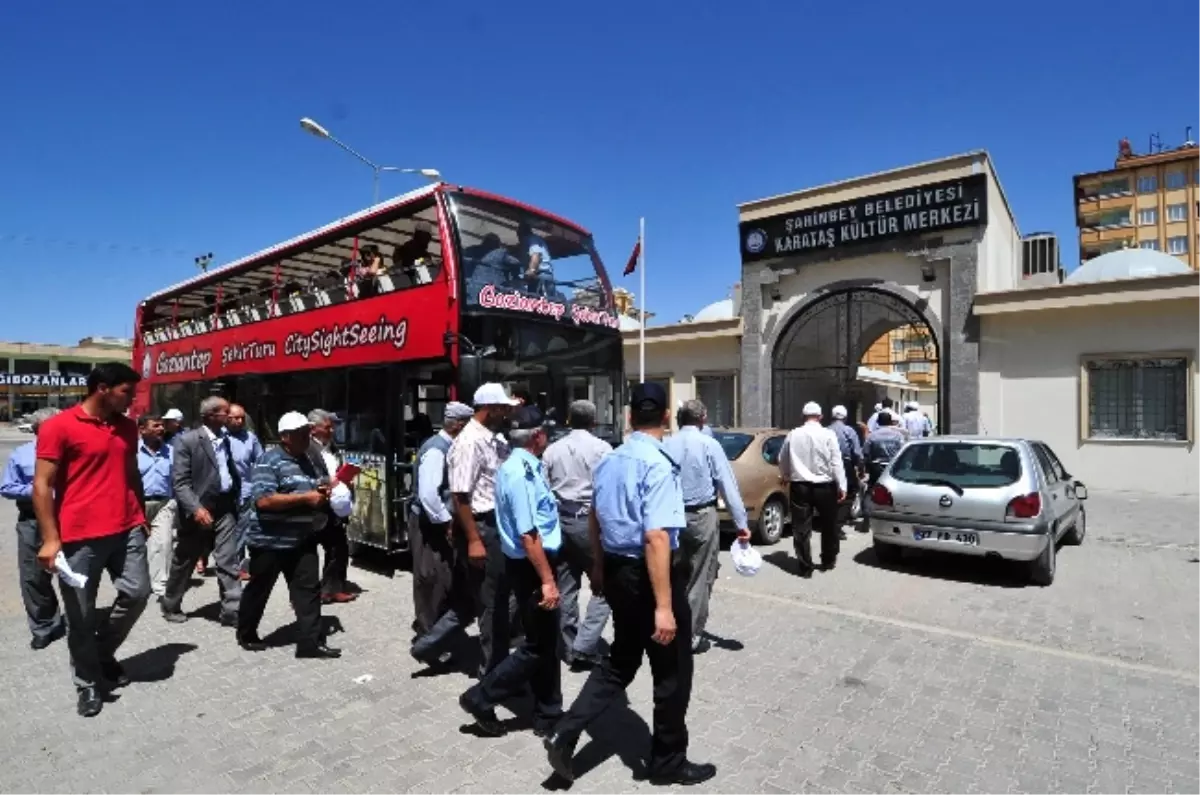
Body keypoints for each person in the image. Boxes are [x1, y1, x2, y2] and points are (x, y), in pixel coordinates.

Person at [544, 382, 715, 787]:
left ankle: (564, 732)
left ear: (628, 417)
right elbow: (657, 537)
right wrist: (664, 606)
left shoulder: (610, 460)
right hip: (650, 576)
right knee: (671, 672)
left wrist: (600, 567)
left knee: (620, 661)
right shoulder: (658, 463)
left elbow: (594, 517)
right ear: (668, 417)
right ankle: (668, 761)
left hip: (618, 572)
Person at [32, 362, 150, 717]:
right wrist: (51, 539)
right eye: (125, 392)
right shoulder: (59, 426)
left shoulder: (127, 428)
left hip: (127, 527)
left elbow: (131, 474)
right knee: (80, 616)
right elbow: (42, 485)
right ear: (102, 387)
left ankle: (99, 653)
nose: (131, 400)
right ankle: (87, 683)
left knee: (138, 593)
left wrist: (141, 514)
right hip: (78, 537)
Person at [458, 406, 563, 737]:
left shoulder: (522, 465)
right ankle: (481, 696)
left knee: (546, 643)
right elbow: (528, 534)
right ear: (536, 436)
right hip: (533, 566)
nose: (548, 435)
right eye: (545, 430)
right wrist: (547, 580)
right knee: (537, 646)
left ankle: (548, 712)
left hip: (534, 563)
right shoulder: (519, 472)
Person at [413, 383, 517, 675]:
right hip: (482, 528)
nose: (507, 412)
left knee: (471, 601)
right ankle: (492, 674)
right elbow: (461, 496)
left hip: (490, 525)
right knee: (490, 604)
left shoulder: (490, 437)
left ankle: (427, 647)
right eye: (503, 407)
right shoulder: (469, 442)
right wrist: (473, 539)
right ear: (490, 408)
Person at [238, 411, 340, 659]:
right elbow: (263, 500)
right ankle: (247, 633)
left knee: (308, 591)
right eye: (301, 433)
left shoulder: (309, 459)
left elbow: (316, 483)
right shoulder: (268, 461)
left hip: (302, 538)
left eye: (308, 431)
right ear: (285, 437)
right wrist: (306, 497)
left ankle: (310, 643)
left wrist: (324, 489)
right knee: (259, 589)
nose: (308, 436)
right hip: (270, 541)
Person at [663, 399, 750, 655]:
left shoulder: (667, 444)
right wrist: (741, 524)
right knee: (700, 576)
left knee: (673, 574)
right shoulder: (710, 445)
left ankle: (668, 624)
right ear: (702, 419)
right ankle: (689, 636)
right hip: (701, 516)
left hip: (671, 516)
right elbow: (728, 486)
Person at [542, 399, 612, 670]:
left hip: (560, 522)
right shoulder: (602, 449)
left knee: (567, 585)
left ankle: (571, 646)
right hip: (589, 522)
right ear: (593, 422)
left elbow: (544, 487)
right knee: (604, 584)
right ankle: (585, 645)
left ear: (569, 420)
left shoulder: (553, 450)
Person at [162, 396, 242, 625]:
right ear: (210, 416)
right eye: (225, 412)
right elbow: (180, 482)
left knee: (228, 558)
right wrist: (195, 508)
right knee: (185, 560)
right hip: (199, 510)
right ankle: (170, 603)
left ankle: (232, 610)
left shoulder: (225, 439)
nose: (230, 416)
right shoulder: (187, 441)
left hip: (225, 507)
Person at [1, 407, 65, 650]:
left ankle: (81, 622)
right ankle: (44, 625)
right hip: (32, 520)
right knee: (33, 576)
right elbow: (7, 487)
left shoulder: (74, 453)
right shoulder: (22, 454)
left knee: (77, 571)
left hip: (70, 518)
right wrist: (41, 492)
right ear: (38, 429)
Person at [410, 401, 474, 638]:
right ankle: (429, 635)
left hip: (437, 522)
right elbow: (429, 495)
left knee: (443, 576)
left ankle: (436, 628)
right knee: (431, 578)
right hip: (430, 524)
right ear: (458, 425)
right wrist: (447, 522)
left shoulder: (449, 447)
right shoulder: (437, 450)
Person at [778, 402, 846, 578]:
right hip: (825, 486)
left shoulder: (793, 434)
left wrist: (785, 475)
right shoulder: (828, 434)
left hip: (800, 486)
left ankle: (805, 566)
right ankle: (828, 560)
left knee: (801, 527)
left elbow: (782, 458)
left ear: (803, 416)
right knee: (829, 525)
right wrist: (842, 485)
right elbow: (836, 462)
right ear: (821, 417)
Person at [309, 409, 356, 604]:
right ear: (313, 429)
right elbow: (304, 477)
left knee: (338, 548)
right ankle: (306, 594)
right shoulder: (306, 448)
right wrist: (329, 481)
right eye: (327, 427)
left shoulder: (332, 447)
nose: (332, 431)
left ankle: (332, 588)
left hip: (335, 505)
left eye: (332, 427)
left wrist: (346, 478)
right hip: (315, 506)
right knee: (308, 554)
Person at [136, 414, 177, 599]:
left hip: (164, 503)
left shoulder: (172, 452)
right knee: (137, 546)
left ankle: (160, 587)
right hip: (138, 504)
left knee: (164, 543)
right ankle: (137, 584)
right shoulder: (131, 452)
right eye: (156, 425)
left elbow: (179, 478)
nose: (161, 429)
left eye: (162, 425)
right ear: (142, 430)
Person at [226, 403, 263, 578]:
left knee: (242, 529)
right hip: (225, 492)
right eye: (236, 418)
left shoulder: (250, 438)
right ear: (227, 418)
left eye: (242, 418)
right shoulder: (219, 438)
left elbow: (260, 461)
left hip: (246, 492)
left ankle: (237, 565)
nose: (240, 421)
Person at [829, 405, 864, 536]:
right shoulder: (849, 431)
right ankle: (838, 525)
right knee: (850, 493)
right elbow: (856, 452)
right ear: (845, 417)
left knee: (831, 493)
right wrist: (860, 468)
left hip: (828, 464)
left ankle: (830, 522)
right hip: (845, 463)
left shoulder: (826, 430)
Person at [864, 410, 907, 488]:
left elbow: (866, 453)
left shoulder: (872, 436)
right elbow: (903, 451)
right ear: (890, 422)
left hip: (876, 468)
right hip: (894, 468)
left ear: (878, 422)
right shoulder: (898, 435)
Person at [516, 221, 554, 295]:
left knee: (543, 303)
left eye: (518, 234)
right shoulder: (531, 241)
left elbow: (536, 255)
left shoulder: (532, 239)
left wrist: (531, 270)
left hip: (541, 276)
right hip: (537, 277)